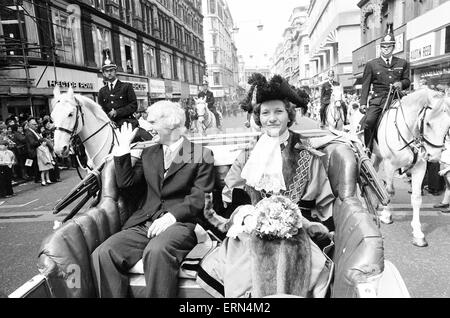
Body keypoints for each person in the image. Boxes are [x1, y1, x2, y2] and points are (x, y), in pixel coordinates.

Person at [197, 74, 334, 298]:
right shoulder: (249, 154)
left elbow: (322, 199)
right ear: (258, 118)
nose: (272, 118)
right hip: (251, 232)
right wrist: (247, 217)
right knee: (244, 267)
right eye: (265, 113)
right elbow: (232, 195)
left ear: (289, 115)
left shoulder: (306, 153)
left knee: (293, 258)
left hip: (297, 231)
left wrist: (298, 221)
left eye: (278, 111)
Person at [91, 101, 215, 298]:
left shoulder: (202, 154)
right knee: (103, 253)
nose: (146, 127)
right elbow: (128, 186)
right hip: (146, 223)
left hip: (181, 224)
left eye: (152, 122)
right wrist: (122, 152)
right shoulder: (149, 153)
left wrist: (172, 217)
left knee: (156, 251)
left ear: (172, 123)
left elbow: (200, 196)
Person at [359, 27, 411, 153]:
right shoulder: (371, 64)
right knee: (369, 122)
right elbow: (365, 85)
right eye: (383, 47)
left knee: (412, 119)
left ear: (393, 48)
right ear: (380, 48)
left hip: (397, 98)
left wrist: (400, 84)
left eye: (388, 47)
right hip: (379, 99)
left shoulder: (402, 63)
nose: (385, 49)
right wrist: (362, 103)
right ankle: (368, 148)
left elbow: (407, 81)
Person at [98, 50, 138, 129]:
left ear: (115, 71)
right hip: (109, 124)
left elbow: (133, 105)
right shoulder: (102, 91)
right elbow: (101, 109)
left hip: (126, 123)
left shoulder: (126, 87)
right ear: (103, 73)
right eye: (106, 71)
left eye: (111, 70)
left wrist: (117, 112)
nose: (109, 73)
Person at [24, 118, 42, 183]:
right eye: (34, 124)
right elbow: (32, 143)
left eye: (36, 124)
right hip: (33, 152)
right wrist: (40, 141)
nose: (36, 125)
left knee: (37, 165)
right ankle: (37, 178)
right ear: (30, 125)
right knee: (35, 165)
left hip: (36, 151)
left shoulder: (34, 131)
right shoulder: (29, 133)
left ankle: (39, 177)